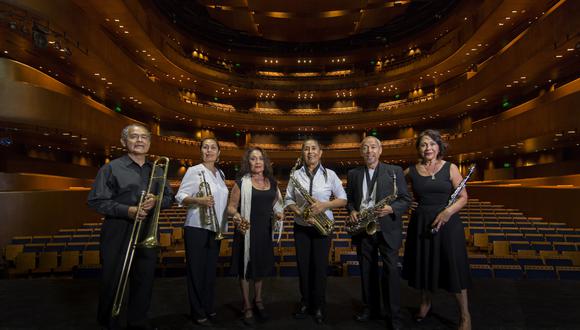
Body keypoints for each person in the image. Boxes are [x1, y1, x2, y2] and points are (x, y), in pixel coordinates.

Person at [88, 123, 174, 330]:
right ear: (123, 141)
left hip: (147, 229)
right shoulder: (111, 168)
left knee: (144, 279)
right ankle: (110, 322)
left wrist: (156, 202)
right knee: (113, 278)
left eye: (144, 137)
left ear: (149, 142)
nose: (140, 141)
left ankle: (138, 321)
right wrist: (128, 210)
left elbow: (169, 198)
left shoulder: (158, 169)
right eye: (134, 137)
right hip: (118, 229)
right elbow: (96, 200)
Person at [402, 129, 472, 330]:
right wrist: (407, 205)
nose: (428, 148)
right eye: (423, 145)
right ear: (419, 149)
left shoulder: (450, 168)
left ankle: (465, 315)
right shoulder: (411, 171)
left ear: (438, 146)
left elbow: (463, 197)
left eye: (431, 144)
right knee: (425, 265)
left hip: (448, 224)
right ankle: (425, 303)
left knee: (454, 268)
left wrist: (447, 213)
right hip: (421, 222)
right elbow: (397, 191)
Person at [346, 136, 411, 330]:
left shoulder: (395, 171)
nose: (369, 151)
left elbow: (405, 199)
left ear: (380, 150)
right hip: (364, 229)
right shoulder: (354, 173)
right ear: (361, 152)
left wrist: (392, 209)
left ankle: (393, 315)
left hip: (387, 228)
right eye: (365, 148)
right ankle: (370, 308)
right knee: (367, 271)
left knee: (390, 272)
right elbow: (350, 200)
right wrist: (352, 211)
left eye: (373, 147)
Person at [284, 139, 347, 324]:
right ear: (302, 153)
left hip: (322, 228)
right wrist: (300, 212)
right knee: (303, 268)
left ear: (320, 153)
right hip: (301, 227)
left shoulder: (331, 175)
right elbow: (288, 200)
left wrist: (324, 205)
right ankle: (305, 303)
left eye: (313, 148)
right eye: (306, 149)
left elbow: (343, 199)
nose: (310, 152)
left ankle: (319, 305)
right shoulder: (295, 175)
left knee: (320, 269)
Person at [227, 147, 284, 326]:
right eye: (253, 159)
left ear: (265, 162)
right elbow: (230, 208)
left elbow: (277, 204)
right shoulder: (240, 183)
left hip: (264, 231)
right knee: (245, 269)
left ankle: (258, 300)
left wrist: (278, 213)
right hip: (246, 231)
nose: (257, 162)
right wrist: (237, 217)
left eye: (260, 158)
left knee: (259, 268)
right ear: (248, 162)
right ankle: (247, 305)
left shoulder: (272, 183)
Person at [175, 138, 228, 327]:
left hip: (215, 229)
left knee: (208, 272)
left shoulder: (220, 173)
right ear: (201, 151)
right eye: (205, 147)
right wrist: (199, 200)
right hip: (197, 227)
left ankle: (207, 306)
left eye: (213, 147)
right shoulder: (193, 171)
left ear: (219, 152)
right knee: (196, 271)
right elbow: (180, 197)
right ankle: (197, 312)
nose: (209, 150)